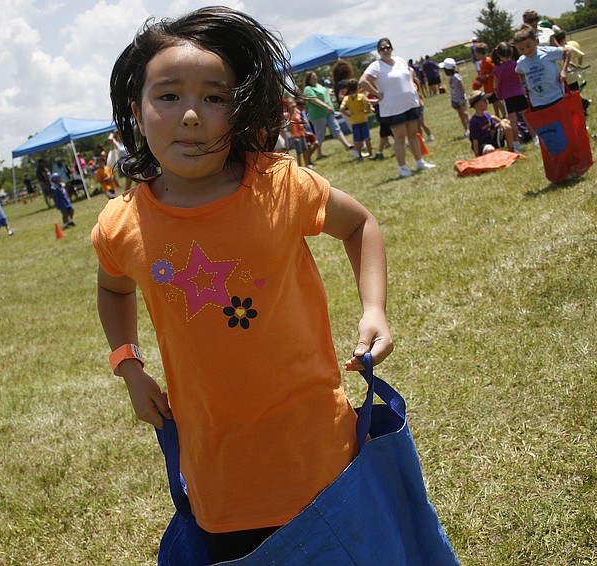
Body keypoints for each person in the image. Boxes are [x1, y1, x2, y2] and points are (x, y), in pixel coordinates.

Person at [99, 7, 394, 563]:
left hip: (321, 454)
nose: (191, 116)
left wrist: (373, 309)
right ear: (136, 110)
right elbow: (114, 289)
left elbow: (360, 225)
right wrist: (128, 364)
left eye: (215, 97)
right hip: (218, 479)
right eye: (168, 96)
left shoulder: (280, 184)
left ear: (240, 110)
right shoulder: (121, 225)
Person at [359, 38, 436, 177]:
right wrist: (377, 93)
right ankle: (402, 168)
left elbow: (408, 78)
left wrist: (416, 96)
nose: (386, 50)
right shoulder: (376, 66)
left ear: (392, 48)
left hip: (409, 103)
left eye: (388, 47)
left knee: (413, 134)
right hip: (393, 108)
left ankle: (419, 161)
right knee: (400, 138)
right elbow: (363, 82)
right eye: (382, 48)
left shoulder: (400, 60)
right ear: (378, 51)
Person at [514, 25, 571, 111]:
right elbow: (520, 72)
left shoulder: (546, 52)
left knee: (562, 118)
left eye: (528, 46)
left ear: (536, 41)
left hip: (556, 96)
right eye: (521, 49)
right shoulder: (521, 61)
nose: (526, 51)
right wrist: (523, 84)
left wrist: (564, 71)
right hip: (537, 102)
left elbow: (567, 52)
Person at [302, 71, 353, 159]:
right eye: (313, 77)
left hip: (328, 112)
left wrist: (330, 107)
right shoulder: (308, 89)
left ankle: (347, 145)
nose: (315, 78)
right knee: (320, 135)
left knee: (336, 128)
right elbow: (314, 100)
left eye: (315, 76)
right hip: (318, 115)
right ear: (308, 79)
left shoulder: (319, 86)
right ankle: (319, 153)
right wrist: (326, 106)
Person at [468, 90, 516, 156]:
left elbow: (494, 126)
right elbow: (475, 140)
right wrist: (477, 155)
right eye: (483, 100)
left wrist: (502, 122)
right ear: (476, 104)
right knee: (490, 149)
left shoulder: (486, 114)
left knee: (507, 127)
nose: (486, 102)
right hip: (482, 145)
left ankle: (512, 151)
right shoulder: (474, 121)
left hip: (491, 139)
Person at [339, 79, 374, 161]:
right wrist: (367, 110)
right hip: (363, 120)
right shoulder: (361, 96)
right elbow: (367, 104)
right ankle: (370, 154)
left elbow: (341, 108)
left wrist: (349, 115)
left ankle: (360, 156)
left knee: (357, 140)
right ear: (357, 87)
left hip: (354, 121)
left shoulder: (346, 98)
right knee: (367, 138)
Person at [441, 58, 470, 137]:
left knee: (465, 113)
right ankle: (466, 130)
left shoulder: (456, 77)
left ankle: (472, 128)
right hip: (455, 99)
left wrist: (462, 98)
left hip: (460, 99)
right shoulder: (451, 78)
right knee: (461, 115)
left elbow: (462, 88)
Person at [287, 98, 313, 168]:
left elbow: (301, 122)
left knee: (305, 149)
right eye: (290, 104)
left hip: (302, 134)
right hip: (296, 136)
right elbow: (290, 127)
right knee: (299, 152)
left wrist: (305, 131)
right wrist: (294, 136)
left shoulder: (298, 112)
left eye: (292, 103)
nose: (292, 105)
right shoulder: (289, 115)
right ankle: (300, 167)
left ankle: (307, 165)